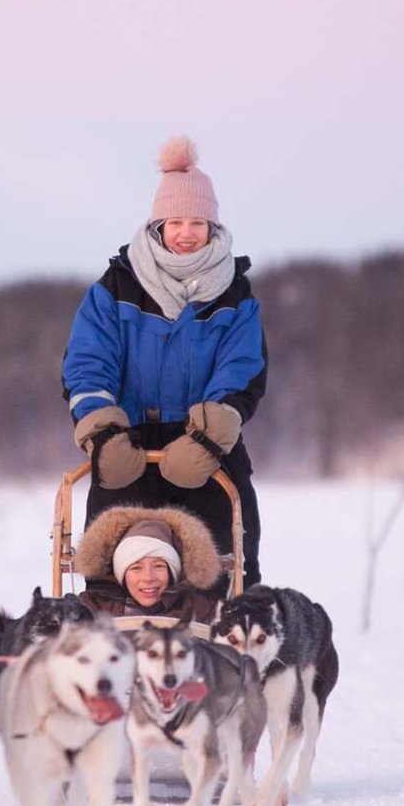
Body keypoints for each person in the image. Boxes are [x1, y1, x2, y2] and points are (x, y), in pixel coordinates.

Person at [62, 137, 266, 585]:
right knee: (114, 578)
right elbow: (88, 364)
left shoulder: (235, 295)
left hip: (204, 453)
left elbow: (241, 368)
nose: (186, 233)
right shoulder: (115, 289)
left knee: (222, 575)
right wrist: (104, 434)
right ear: (157, 225)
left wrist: (209, 437)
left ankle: (224, 625)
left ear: (213, 228)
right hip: (127, 447)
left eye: (198, 222)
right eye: (175, 222)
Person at [72, 508, 226, 617]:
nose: (148, 578)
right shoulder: (91, 609)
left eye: (158, 566)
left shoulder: (201, 610)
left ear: (172, 572)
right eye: (136, 568)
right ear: (122, 575)